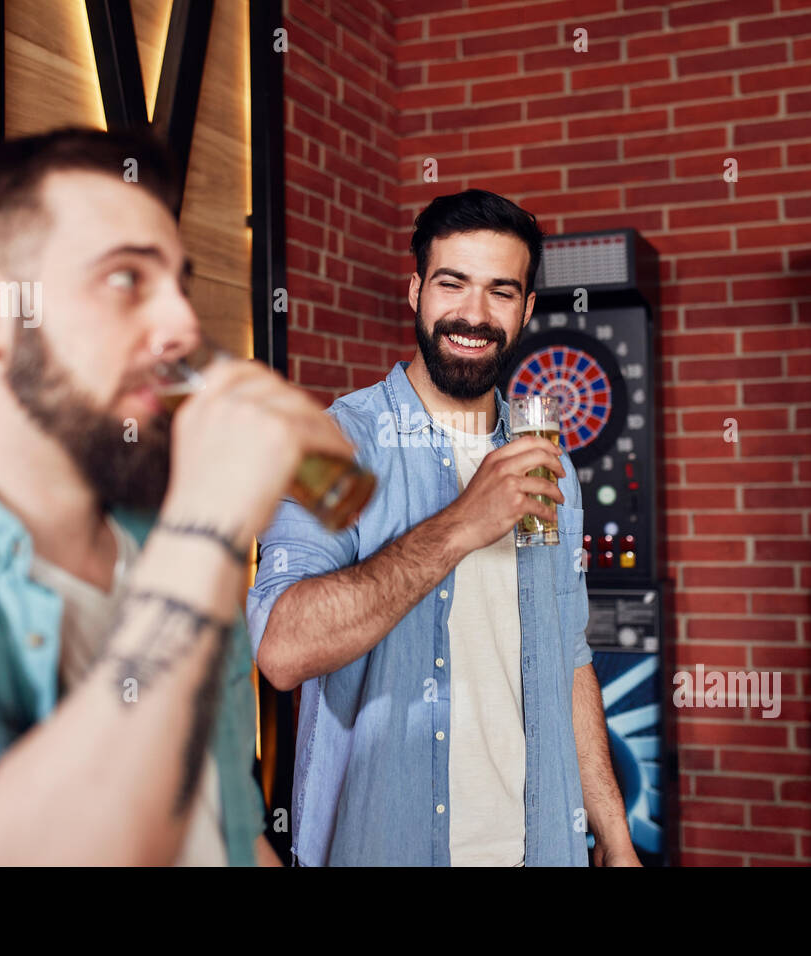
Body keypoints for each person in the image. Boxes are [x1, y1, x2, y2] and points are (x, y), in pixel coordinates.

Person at [0, 128, 353, 866]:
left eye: (179, 283)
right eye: (125, 279)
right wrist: (207, 527)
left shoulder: (160, 545)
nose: (183, 323)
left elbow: (227, 831)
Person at [248, 189, 639, 866]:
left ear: (526, 310)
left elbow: (569, 658)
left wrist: (613, 833)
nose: (474, 314)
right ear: (416, 291)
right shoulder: (333, 444)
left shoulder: (547, 460)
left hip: (541, 849)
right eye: (452, 283)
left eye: (501, 291)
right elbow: (283, 650)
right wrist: (462, 522)